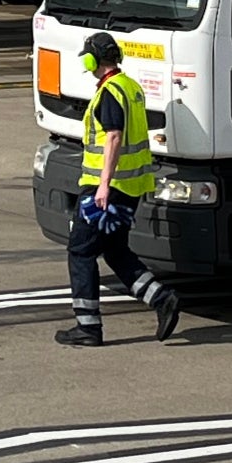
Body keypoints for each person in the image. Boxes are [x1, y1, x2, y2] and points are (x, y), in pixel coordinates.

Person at [58, 31, 181, 349]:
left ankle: (87, 327)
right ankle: (161, 298)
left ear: (93, 60)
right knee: (114, 250)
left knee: (81, 250)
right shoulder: (130, 87)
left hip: (107, 190)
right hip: (130, 186)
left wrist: (102, 186)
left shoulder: (110, 92)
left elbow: (113, 137)